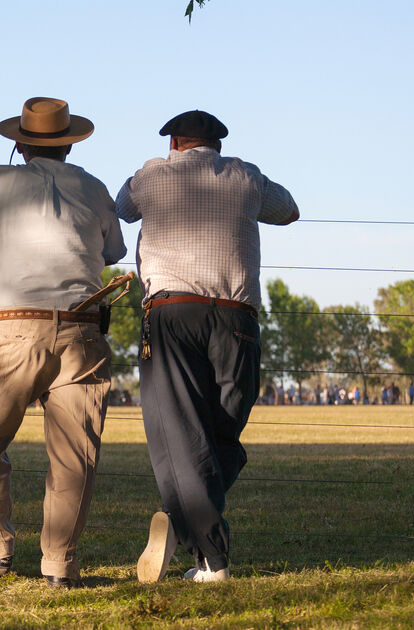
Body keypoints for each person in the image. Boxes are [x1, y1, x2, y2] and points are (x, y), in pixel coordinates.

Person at [118, 110, 299, 584]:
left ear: (175, 142)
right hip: (237, 319)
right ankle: (194, 530)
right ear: (217, 145)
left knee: (180, 433)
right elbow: (290, 210)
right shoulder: (246, 175)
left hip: (173, 314)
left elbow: (122, 206)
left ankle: (203, 548)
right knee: (222, 434)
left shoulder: (152, 174)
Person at [0, 97, 126, 588]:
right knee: (75, 455)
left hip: (16, 329)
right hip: (83, 329)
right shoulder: (93, 187)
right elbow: (111, 251)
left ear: (19, 143)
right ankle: (59, 565)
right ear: (70, 143)